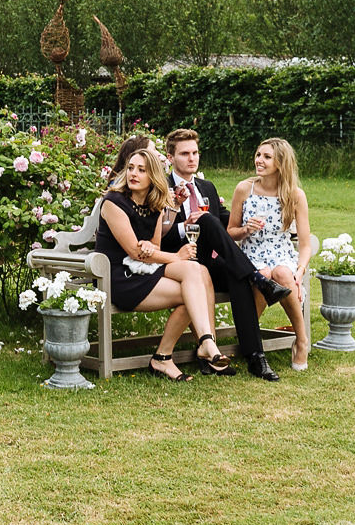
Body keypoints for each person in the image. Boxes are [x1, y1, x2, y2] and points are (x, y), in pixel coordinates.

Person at [160, 128, 292, 381]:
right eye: (185, 153)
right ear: (170, 158)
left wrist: (247, 225)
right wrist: (185, 225)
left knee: (236, 273)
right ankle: (258, 278)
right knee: (208, 224)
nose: (192, 158)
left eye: (195, 153)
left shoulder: (205, 186)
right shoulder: (161, 187)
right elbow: (156, 235)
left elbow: (224, 223)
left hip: (207, 260)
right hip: (178, 260)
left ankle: (255, 357)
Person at [94, 148, 231, 382]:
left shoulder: (154, 204)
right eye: (130, 168)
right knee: (194, 290)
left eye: (141, 170)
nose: (133, 174)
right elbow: (134, 253)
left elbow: (153, 248)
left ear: (153, 176)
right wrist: (175, 256)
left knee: (196, 271)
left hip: (146, 270)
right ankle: (187, 350)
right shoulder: (113, 203)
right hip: (120, 277)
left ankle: (188, 348)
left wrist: (152, 248)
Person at [227, 138, 313, 371]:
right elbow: (230, 233)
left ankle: (301, 340)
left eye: (266, 157)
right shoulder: (245, 188)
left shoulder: (295, 195)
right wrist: (246, 229)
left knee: (284, 274)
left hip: (282, 253)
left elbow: (304, 244)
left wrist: (300, 270)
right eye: (258, 155)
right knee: (263, 274)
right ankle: (251, 342)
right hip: (251, 254)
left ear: (280, 163)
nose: (259, 160)